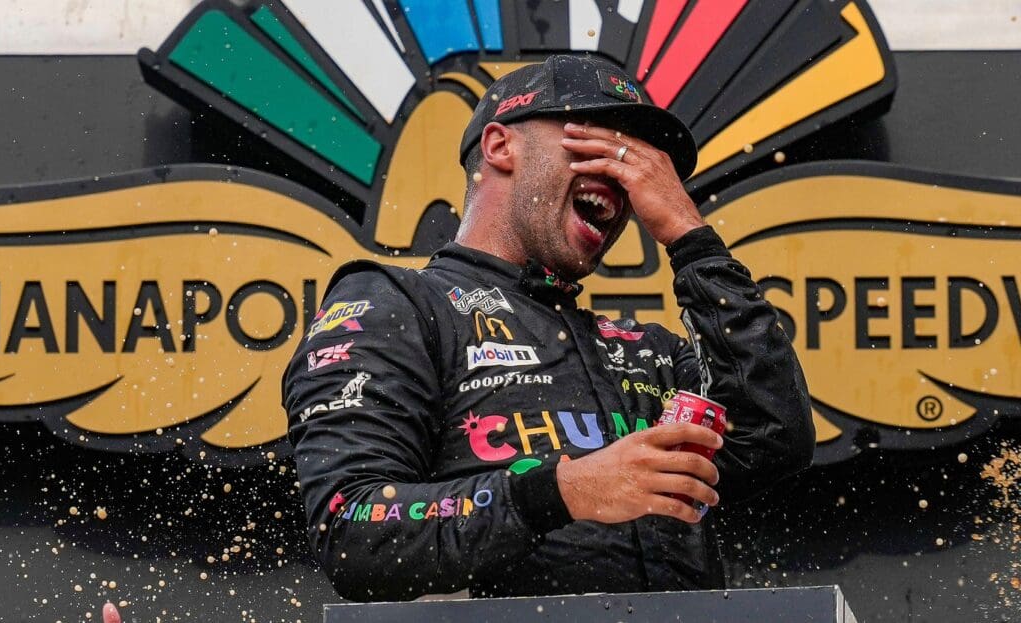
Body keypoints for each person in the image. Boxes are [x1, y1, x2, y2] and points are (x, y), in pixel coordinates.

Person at [282, 54, 815, 602]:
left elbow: (772, 439)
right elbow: (353, 530)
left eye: (639, 159)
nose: (623, 171)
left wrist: (690, 237)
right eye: (597, 141)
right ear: (499, 146)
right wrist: (563, 491)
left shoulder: (646, 351)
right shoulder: (401, 304)